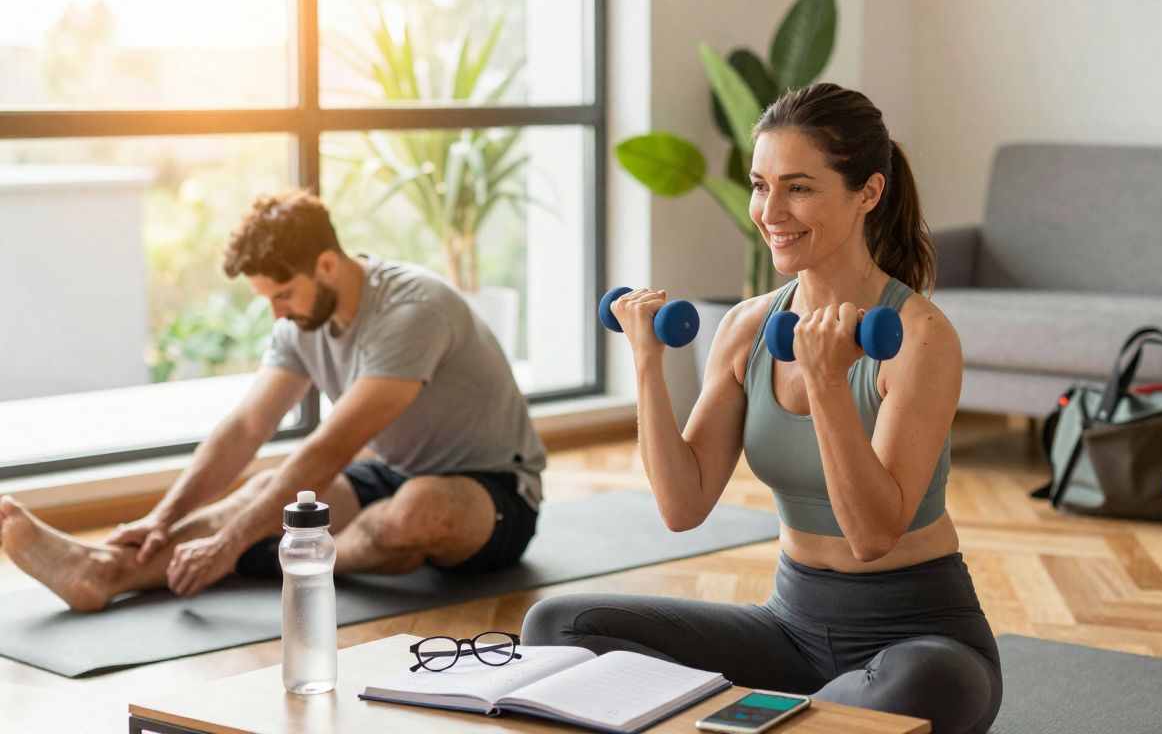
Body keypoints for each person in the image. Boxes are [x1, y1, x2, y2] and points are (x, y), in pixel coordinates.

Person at [522, 84, 1002, 734]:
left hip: (917, 639)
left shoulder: (919, 336)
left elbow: (871, 536)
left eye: (798, 188)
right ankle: (797, 719)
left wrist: (828, 384)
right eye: (760, 185)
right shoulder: (748, 327)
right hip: (790, 631)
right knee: (558, 626)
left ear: (868, 192)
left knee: (929, 683)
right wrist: (646, 362)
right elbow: (683, 506)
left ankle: (782, 717)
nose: (770, 211)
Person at [0, 189, 545, 612]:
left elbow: (333, 445)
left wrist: (230, 543)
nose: (277, 314)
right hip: (396, 472)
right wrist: (162, 517)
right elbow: (245, 428)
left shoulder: (412, 311)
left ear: (327, 265)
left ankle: (262, 558)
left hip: (498, 492)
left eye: (283, 295)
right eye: (268, 299)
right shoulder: (301, 322)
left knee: (410, 513)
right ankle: (103, 571)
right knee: (268, 493)